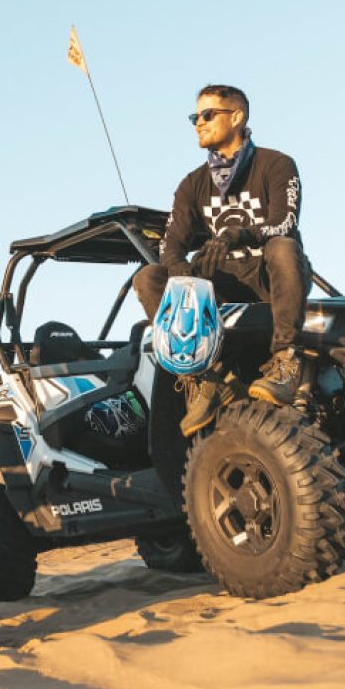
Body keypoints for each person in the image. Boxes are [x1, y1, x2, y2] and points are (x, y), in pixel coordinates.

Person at [133, 84, 312, 434]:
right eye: (194, 117)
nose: (198, 123)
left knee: (283, 247)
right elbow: (170, 244)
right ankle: (203, 377)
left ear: (238, 117)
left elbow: (285, 223)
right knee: (149, 277)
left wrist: (240, 234)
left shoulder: (276, 164)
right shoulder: (192, 184)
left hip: (268, 277)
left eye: (207, 114)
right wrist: (181, 272)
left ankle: (286, 362)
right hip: (221, 286)